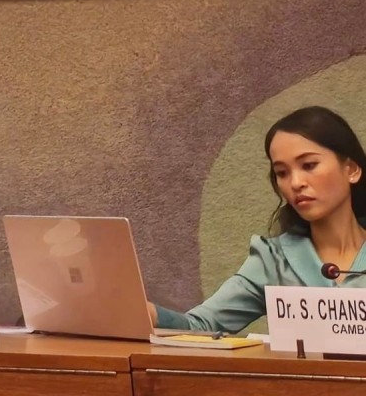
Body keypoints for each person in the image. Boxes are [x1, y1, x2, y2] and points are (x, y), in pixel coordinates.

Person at [152, 107, 366, 335]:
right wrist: (147, 313)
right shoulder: (273, 259)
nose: (295, 183)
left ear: (351, 170)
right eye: (282, 173)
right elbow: (200, 326)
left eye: (309, 165)